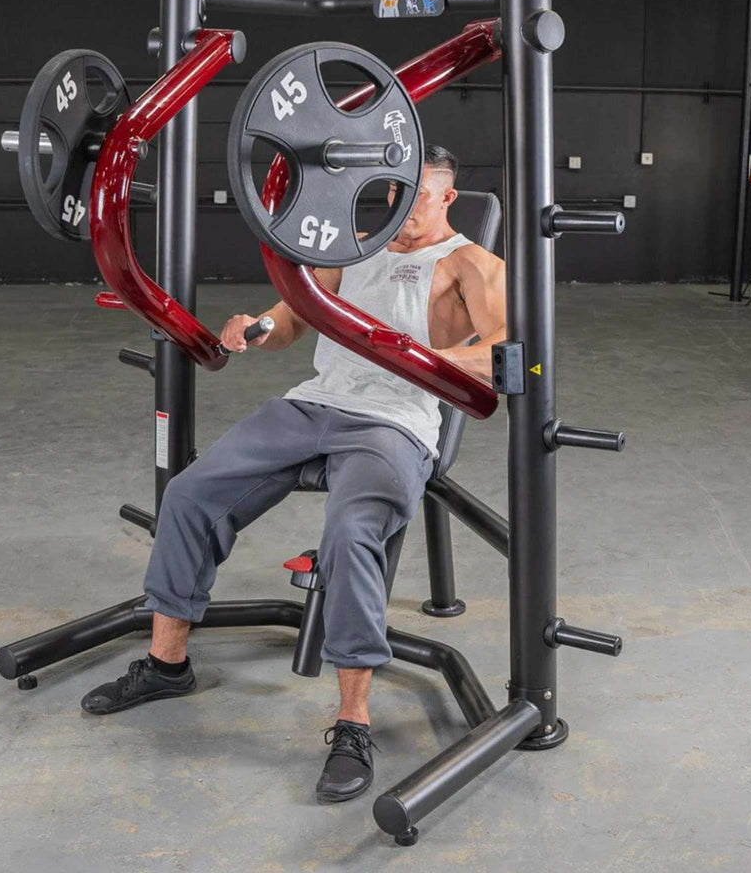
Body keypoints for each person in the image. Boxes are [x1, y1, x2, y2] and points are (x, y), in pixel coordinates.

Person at [81, 145, 508, 804]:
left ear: (449, 198)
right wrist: (255, 328)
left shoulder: (470, 265)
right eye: (400, 191)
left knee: (350, 533)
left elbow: (502, 353)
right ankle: (167, 666)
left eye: (423, 195)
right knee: (191, 494)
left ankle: (353, 725)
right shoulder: (355, 248)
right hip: (313, 405)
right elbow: (289, 319)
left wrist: (420, 354)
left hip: (394, 423)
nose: (407, 205)